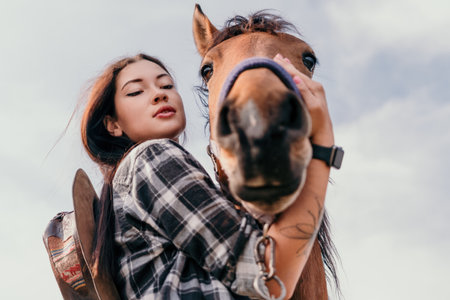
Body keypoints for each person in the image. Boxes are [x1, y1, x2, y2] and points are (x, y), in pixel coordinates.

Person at [80, 53, 335, 299]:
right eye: (136, 91)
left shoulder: (126, 188)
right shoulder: (152, 156)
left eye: (167, 85)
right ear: (113, 125)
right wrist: (322, 144)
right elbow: (268, 275)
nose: (159, 94)